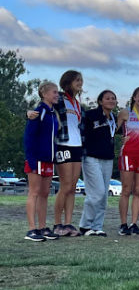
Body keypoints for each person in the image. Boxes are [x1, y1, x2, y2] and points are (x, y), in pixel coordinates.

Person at [27, 71, 86, 236]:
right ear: (68, 82)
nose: (80, 83)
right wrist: (28, 113)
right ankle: (57, 224)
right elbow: (41, 108)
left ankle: (68, 223)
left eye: (81, 80)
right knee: (65, 186)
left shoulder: (77, 102)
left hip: (77, 145)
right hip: (63, 144)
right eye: (77, 80)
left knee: (73, 187)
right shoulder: (59, 97)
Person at [23, 82, 60, 241]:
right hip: (36, 158)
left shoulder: (53, 114)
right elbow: (29, 137)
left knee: (45, 193)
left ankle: (43, 227)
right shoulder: (38, 113)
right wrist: (31, 159)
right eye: (54, 92)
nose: (57, 95)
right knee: (35, 192)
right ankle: (32, 229)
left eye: (57, 92)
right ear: (44, 94)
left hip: (48, 160)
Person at [79, 90, 117, 236]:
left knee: (104, 196)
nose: (111, 101)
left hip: (107, 158)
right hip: (91, 157)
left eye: (113, 98)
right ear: (100, 101)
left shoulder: (113, 118)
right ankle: (85, 225)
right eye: (107, 98)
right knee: (97, 193)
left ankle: (97, 226)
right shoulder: (90, 115)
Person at [117, 87, 139, 236]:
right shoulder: (125, 112)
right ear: (134, 97)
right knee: (126, 189)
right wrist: (120, 139)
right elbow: (113, 131)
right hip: (128, 154)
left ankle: (134, 223)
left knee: (138, 190)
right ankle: (123, 224)